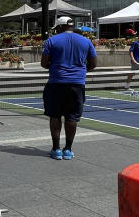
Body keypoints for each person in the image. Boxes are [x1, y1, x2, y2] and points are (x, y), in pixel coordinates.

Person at [41, 17, 97, 159]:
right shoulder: (86, 41)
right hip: (77, 84)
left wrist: (54, 67)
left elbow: (44, 63)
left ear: (60, 27)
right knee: (72, 117)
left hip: (56, 83)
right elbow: (93, 63)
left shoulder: (52, 41)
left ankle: (56, 149)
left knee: (55, 115)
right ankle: (68, 149)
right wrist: (81, 71)